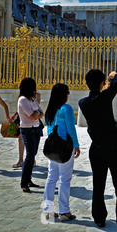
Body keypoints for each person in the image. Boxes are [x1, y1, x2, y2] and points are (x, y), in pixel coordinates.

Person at [79, 69, 117, 227]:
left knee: (98, 183)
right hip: (113, 147)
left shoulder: (83, 103)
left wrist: (105, 86)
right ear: (102, 83)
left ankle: (99, 217)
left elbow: (99, 96)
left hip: (96, 148)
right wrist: (113, 75)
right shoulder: (105, 97)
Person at [43, 84, 80, 221]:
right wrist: (76, 145)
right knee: (65, 179)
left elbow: (49, 129)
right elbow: (71, 129)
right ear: (64, 94)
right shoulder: (66, 109)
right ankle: (64, 211)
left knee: (51, 178)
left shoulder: (50, 110)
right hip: (64, 148)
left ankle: (48, 210)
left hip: (52, 148)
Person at [18, 77, 44, 193]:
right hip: (27, 129)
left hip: (36, 129)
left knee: (33, 154)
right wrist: (36, 114)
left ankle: (29, 179)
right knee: (29, 156)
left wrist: (36, 114)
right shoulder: (22, 100)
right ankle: (24, 182)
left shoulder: (33, 99)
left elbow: (41, 112)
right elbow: (32, 115)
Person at [11, 92, 41, 169]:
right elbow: (22, 107)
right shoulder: (22, 96)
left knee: (31, 140)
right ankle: (21, 159)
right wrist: (14, 114)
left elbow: (35, 107)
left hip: (33, 118)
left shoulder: (36, 95)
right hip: (23, 118)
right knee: (20, 139)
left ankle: (31, 159)